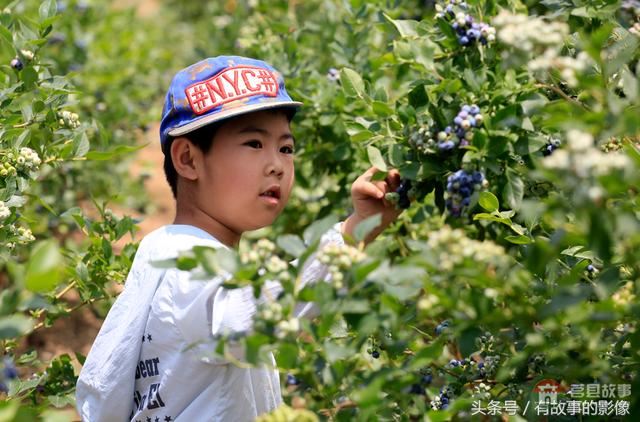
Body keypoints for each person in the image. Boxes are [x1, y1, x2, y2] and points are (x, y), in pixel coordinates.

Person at [76, 56, 403, 421]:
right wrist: (348, 233)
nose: (277, 164)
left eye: (286, 148)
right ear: (188, 159)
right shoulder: (187, 265)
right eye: (253, 144)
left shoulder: (172, 253)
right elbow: (253, 315)